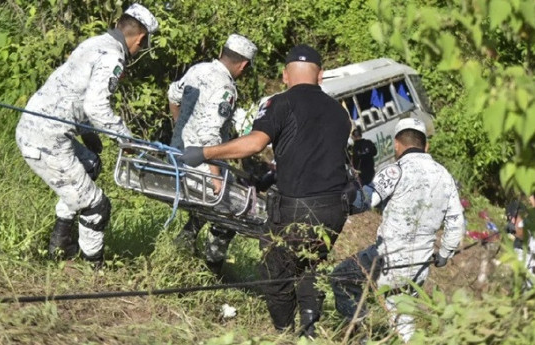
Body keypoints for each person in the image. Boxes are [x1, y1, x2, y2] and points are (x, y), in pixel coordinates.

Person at [179, 44, 352, 337]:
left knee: (275, 274)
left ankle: (284, 335)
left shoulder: (280, 103)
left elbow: (255, 143)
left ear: (285, 76)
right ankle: (309, 334)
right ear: (320, 76)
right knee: (309, 262)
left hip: (297, 207)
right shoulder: (340, 113)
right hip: (335, 208)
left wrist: (206, 153)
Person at [15, 4, 159, 267]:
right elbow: (96, 106)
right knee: (98, 206)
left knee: (90, 165)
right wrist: (126, 140)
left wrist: (89, 133)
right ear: (140, 38)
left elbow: (74, 93)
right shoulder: (113, 57)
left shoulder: (94, 43)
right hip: (48, 139)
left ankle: (60, 243)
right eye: (145, 43)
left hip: (35, 127)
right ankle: (93, 266)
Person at [331, 117, 466, 343]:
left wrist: (339, 201)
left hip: (387, 259)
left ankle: (363, 336)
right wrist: (444, 254)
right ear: (426, 145)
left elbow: (366, 200)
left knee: (342, 277)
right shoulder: (445, 176)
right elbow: (456, 221)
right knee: (402, 317)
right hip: (420, 263)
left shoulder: (395, 171)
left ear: (396, 144)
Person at [168, 34, 257, 274]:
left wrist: (180, 131)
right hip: (201, 164)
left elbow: (172, 96)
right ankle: (212, 268)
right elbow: (210, 136)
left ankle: (184, 244)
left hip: (177, 155)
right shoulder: (225, 88)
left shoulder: (199, 69)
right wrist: (216, 178)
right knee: (232, 211)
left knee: (209, 206)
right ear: (244, 65)